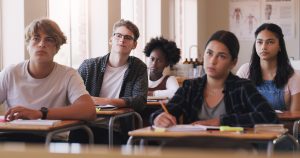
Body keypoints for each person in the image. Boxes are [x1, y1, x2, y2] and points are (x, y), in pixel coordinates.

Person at [151, 30, 278, 128]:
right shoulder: (190, 87)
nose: (212, 61)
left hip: (234, 149)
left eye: (221, 56)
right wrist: (158, 117)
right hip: (194, 149)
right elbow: (161, 113)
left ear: (233, 62)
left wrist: (221, 121)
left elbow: (270, 116)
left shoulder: (242, 87)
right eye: (209, 53)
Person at [0, 18, 96, 142]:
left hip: (51, 140)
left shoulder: (68, 74)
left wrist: (41, 113)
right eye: (36, 38)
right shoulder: (11, 72)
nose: (41, 44)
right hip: (12, 138)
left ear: (57, 48)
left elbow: (88, 110)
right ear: (28, 45)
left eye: (49, 39)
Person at [69, 19, 148, 144]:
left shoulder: (138, 67)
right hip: (84, 125)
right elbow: (70, 94)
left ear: (134, 44)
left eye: (128, 37)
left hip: (116, 128)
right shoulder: (90, 66)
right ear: (111, 40)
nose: (122, 40)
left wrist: (108, 101)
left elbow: (140, 100)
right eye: (118, 36)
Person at [236, 23, 300, 112]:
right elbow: (236, 109)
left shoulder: (293, 76)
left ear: (280, 46)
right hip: (249, 125)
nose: (263, 47)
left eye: (270, 42)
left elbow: (295, 120)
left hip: (282, 125)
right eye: (259, 42)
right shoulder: (245, 71)